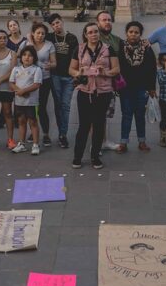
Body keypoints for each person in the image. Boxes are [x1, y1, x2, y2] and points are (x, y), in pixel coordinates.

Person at [69, 22, 119, 169]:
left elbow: (116, 69)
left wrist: (105, 72)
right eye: (90, 32)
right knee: (83, 126)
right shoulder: (79, 49)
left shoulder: (108, 49)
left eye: (96, 32)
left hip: (103, 91)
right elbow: (71, 69)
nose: (93, 35)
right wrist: (80, 72)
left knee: (98, 126)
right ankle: (77, 156)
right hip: (85, 91)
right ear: (85, 34)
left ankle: (95, 157)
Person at [117, 21, 156, 153]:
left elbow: (152, 68)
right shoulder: (120, 47)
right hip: (125, 88)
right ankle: (123, 142)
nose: (133, 34)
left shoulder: (147, 48)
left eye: (136, 32)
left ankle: (142, 141)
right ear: (126, 33)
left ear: (140, 34)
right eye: (131, 32)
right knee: (126, 114)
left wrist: (152, 88)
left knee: (140, 115)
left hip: (142, 87)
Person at [46, 13, 78, 148]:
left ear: (62, 21)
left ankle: (62, 134)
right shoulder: (49, 37)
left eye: (57, 23)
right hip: (55, 76)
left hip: (69, 76)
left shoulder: (71, 38)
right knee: (59, 105)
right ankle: (60, 133)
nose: (56, 26)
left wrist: (77, 75)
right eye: (53, 24)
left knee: (65, 105)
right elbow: (33, 36)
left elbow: (77, 57)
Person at [23, 23, 56, 147]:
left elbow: (54, 63)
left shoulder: (49, 45)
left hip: (44, 80)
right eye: (38, 33)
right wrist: (30, 42)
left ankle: (46, 134)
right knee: (31, 108)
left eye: (43, 33)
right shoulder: (28, 44)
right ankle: (33, 132)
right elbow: (23, 58)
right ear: (33, 33)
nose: (40, 35)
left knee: (41, 108)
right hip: (29, 80)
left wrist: (49, 65)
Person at [95, 11, 121, 151]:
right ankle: (96, 142)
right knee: (95, 115)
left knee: (104, 114)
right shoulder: (93, 37)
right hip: (94, 83)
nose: (107, 22)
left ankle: (103, 140)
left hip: (110, 83)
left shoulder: (115, 40)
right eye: (104, 20)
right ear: (98, 22)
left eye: (109, 19)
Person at [9, 46, 43, 155]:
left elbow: (37, 84)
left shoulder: (36, 69)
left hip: (31, 102)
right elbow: (11, 83)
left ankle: (35, 144)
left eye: (30, 55)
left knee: (33, 122)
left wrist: (24, 91)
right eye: (24, 55)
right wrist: (19, 91)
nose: (27, 57)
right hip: (19, 101)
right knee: (21, 121)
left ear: (34, 57)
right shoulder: (16, 69)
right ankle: (22, 144)